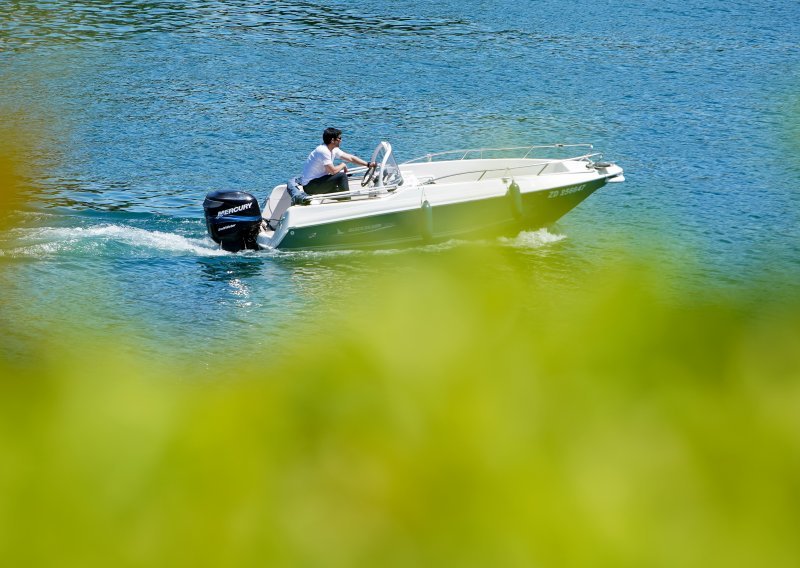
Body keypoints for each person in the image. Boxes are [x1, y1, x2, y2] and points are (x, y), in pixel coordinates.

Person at [300, 128, 376, 196]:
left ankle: (343, 200)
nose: (341, 140)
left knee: (338, 191)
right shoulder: (323, 151)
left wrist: (368, 164)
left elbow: (351, 158)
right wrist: (343, 165)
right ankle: (347, 199)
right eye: (339, 138)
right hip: (310, 186)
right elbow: (333, 171)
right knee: (342, 176)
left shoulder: (333, 149)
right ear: (332, 140)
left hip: (318, 182)